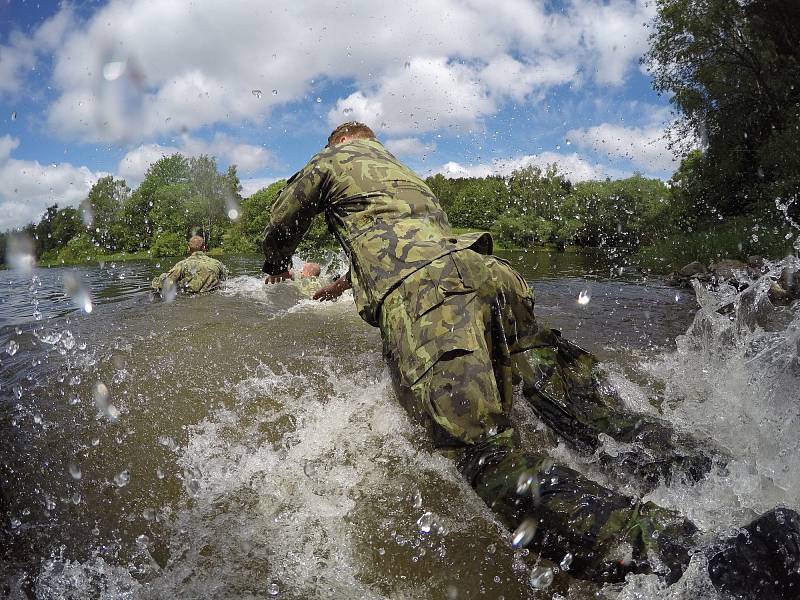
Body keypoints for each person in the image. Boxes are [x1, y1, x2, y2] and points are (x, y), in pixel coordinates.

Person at [260, 122, 800, 596]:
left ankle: (698, 559)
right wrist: (343, 284)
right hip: (493, 278)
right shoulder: (405, 177)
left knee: (484, 457)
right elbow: (412, 248)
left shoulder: (330, 162)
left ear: (339, 142)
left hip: (428, 297)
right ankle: (728, 475)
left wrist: (276, 264)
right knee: (586, 416)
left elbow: (282, 224)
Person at [151, 235, 227, 295]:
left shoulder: (182, 265)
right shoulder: (217, 263)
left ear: (188, 248)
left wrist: (156, 281)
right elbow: (225, 282)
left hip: (191, 298)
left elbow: (165, 283)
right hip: (212, 298)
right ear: (204, 248)